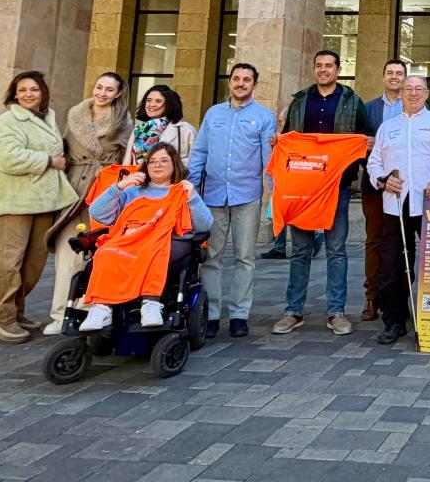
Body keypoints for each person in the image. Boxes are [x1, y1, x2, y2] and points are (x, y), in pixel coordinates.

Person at [271, 50, 373, 337]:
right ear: (313, 69)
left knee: (336, 250)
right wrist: (278, 142)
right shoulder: (300, 100)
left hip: (337, 187)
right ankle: (293, 311)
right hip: (303, 189)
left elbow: (365, 138)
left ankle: (336, 312)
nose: (324, 70)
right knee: (300, 250)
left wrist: (373, 169)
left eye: (329, 66)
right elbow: (289, 138)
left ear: (338, 69)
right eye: (319, 66)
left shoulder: (352, 101)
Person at [0, 71, 78, 343]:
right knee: (7, 261)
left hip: (42, 201)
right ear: (14, 94)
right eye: (22, 90)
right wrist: (48, 160)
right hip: (12, 200)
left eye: (34, 89)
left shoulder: (48, 118)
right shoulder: (8, 120)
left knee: (33, 263)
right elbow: (8, 157)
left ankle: (17, 311)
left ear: (43, 93)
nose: (28, 94)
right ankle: (3, 317)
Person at [80, 143, 213, 330]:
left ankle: (151, 303)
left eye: (163, 161)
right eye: (152, 161)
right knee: (105, 252)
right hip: (130, 240)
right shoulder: (132, 191)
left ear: (175, 165)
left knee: (154, 250)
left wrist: (192, 198)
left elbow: (205, 225)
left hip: (163, 241)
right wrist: (118, 187)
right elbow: (98, 213)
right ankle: (102, 307)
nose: (157, 165)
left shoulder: (182, 192)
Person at [366, 75, 430, 344]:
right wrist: (382, 179)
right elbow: (374, 163)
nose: (413, 93)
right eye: (408, 89)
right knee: (393, 264)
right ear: (400, 93)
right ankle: (394, 320)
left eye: (418, 89)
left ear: (427, 93)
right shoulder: (388, 127)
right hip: (396, 204)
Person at [189, 63, 275, 338]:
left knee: (245, 257)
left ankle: (239, 314)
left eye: (247, 79)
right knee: (211, 256)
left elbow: (268, 161)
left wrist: (275, 196)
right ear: (230, 82)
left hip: (246, 197)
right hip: (212, 195)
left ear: (254, 84)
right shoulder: (213, 114)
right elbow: (200, 151)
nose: (241, 83)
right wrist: (189, 188)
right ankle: (212, 313)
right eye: (236, 79)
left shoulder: (263, 117)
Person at [43, 72, 133, 335]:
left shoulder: (124, 122)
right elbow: (63, 149)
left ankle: (86, 308)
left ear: (118, 94)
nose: (102, 93)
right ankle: (61, 312)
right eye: (99, 87)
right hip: (74, 188)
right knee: (67, 249)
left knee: (97, 251)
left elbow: (127, 158)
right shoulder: (75, 115)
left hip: (103, 189)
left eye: (109, 90)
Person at [353, 58, 408, 321]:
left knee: (404, 242)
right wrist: (370, 150)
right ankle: (372, 297)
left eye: (400, 73)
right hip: (375, 185)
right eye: (391, 73)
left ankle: (401, 296)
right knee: (375, 240)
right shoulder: (369, 108)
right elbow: (358, 144)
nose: (395, 77)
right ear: (384, 77)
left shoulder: (414, 105)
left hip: (408, 186)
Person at [123, 85, 197, 165]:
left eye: (158, 101)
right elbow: (127, 162)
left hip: (173, 176)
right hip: (139, 176)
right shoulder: (138, 129)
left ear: (169, 104)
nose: (151, 104)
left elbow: (196, 160)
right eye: (148, 100)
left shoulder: (185, 129)